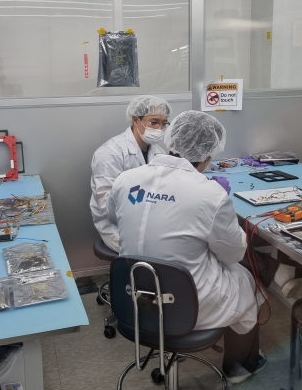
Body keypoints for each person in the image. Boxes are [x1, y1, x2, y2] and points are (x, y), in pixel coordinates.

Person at [107, 110, 266, 384]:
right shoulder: (210, 194)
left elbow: (114, 218)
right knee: (248, 279)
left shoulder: (125, 179)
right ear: (207, 156)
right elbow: (233, 254)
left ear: (171, 141)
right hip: (186, 304)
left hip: (131, 297)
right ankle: (241, 365)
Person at [90, 95, 172, 253]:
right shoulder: (110, 154)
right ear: (135, 120)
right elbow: (107, 207)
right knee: (157, 252)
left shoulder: (159, 152)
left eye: (163, 123)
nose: (159, 129)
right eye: (154, 122)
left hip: (150, 220)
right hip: (117, 225)